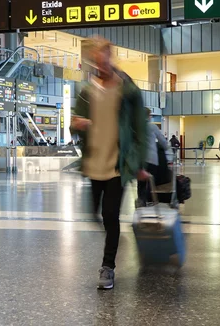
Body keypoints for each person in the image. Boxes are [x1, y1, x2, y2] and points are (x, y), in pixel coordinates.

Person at [70, 37, 148, 290]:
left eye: (102, 59)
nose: (99, 64)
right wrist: (78, 124)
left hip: (117, 164)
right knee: (94, 214)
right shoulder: (86, 90)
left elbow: (140, 128)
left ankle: (108, 267)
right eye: (95, 60)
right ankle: (113, 237)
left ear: (110, 56)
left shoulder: (128, 90)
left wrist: (138, 162)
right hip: (94, 162)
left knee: (111, 214)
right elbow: (76, 122)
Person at [136, 108, 172, 206]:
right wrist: (167, 148)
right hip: (152, 160)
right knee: (151, 180)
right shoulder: (153, 127)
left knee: (141, 182)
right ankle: (150, 199)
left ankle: (141, 200)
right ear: (148, 116)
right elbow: (163, 142)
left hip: (140, 159)